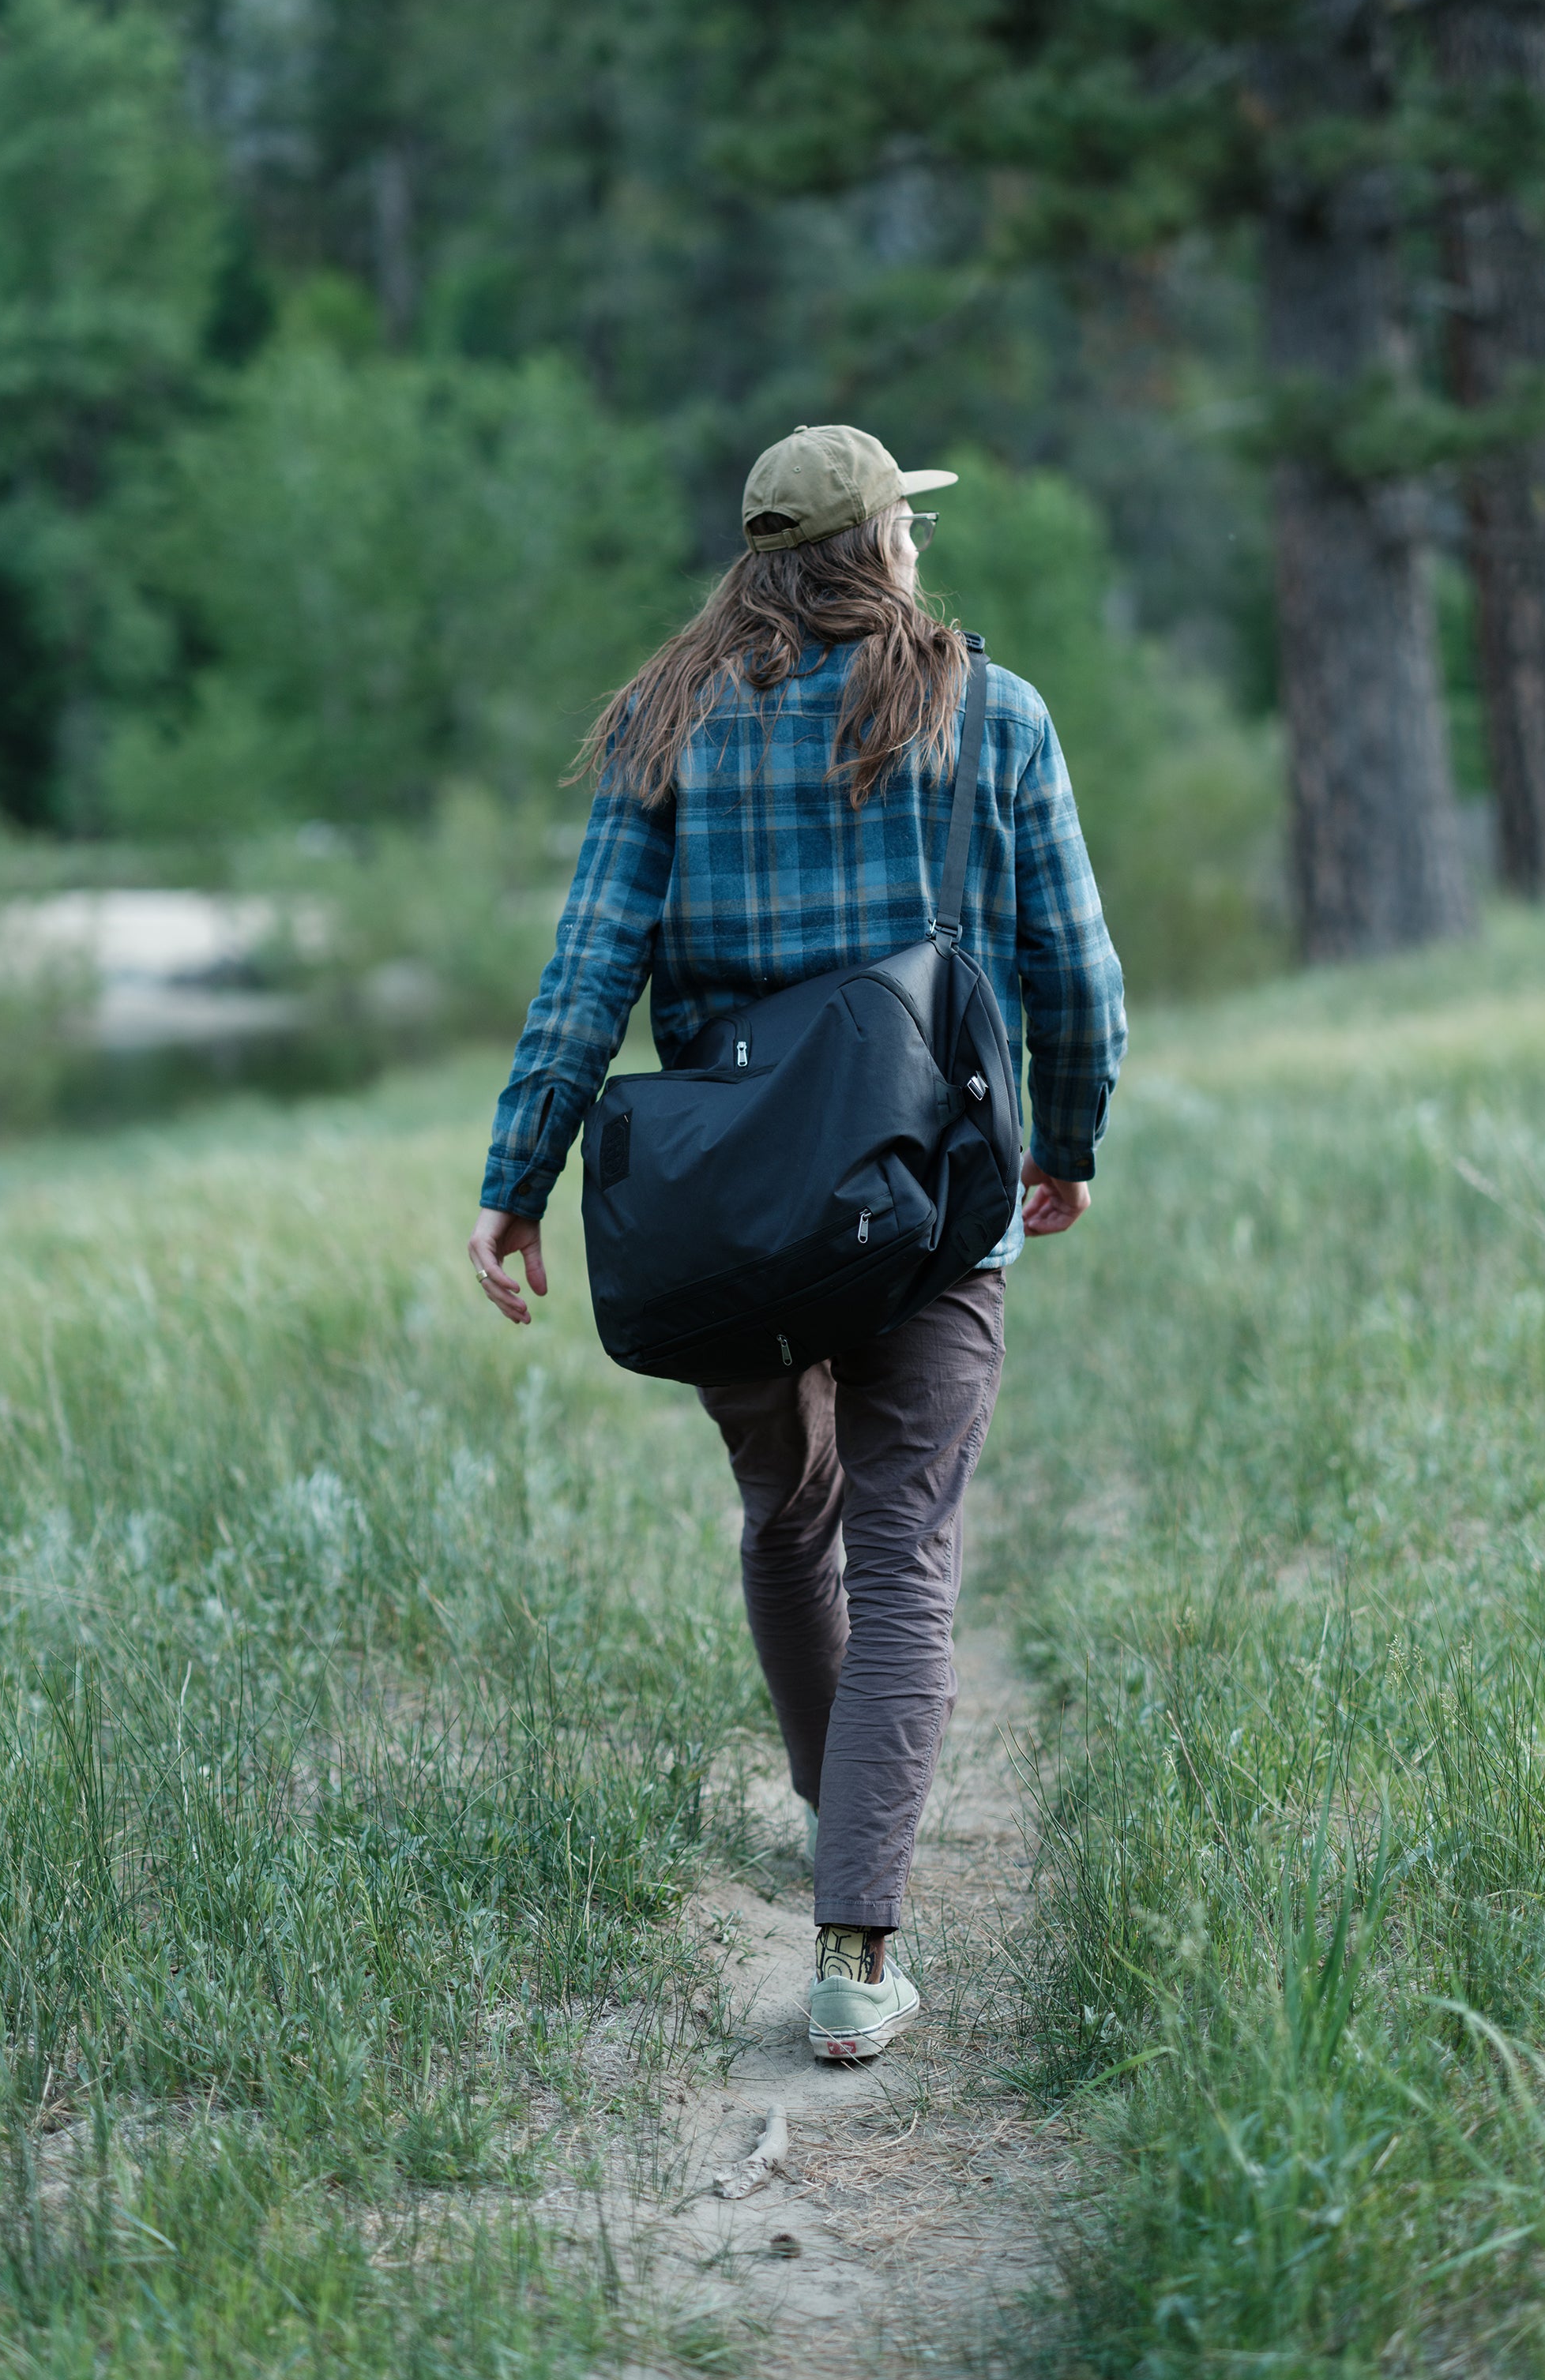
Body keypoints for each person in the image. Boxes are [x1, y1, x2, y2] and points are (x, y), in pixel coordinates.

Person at [468, 424, 1126, 2060]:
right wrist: (1070, 1140)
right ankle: (855, 1938)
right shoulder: (996, 712)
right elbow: (1077, 974)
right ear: (884, 543)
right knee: (905, 1540)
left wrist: (517, 1175)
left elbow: (585, 977)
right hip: (934, 1188)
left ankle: (850, 1822)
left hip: (733, 1213)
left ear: (762, 559)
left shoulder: (663, 721)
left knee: (790, 1509)